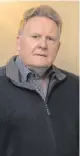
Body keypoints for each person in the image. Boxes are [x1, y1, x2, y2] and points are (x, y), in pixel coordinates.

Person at [0, 5, 79, 156]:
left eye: (50, 39)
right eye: (35, 36)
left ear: (58, 47)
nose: (43, 45)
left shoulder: (76, 86)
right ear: (19, 42)